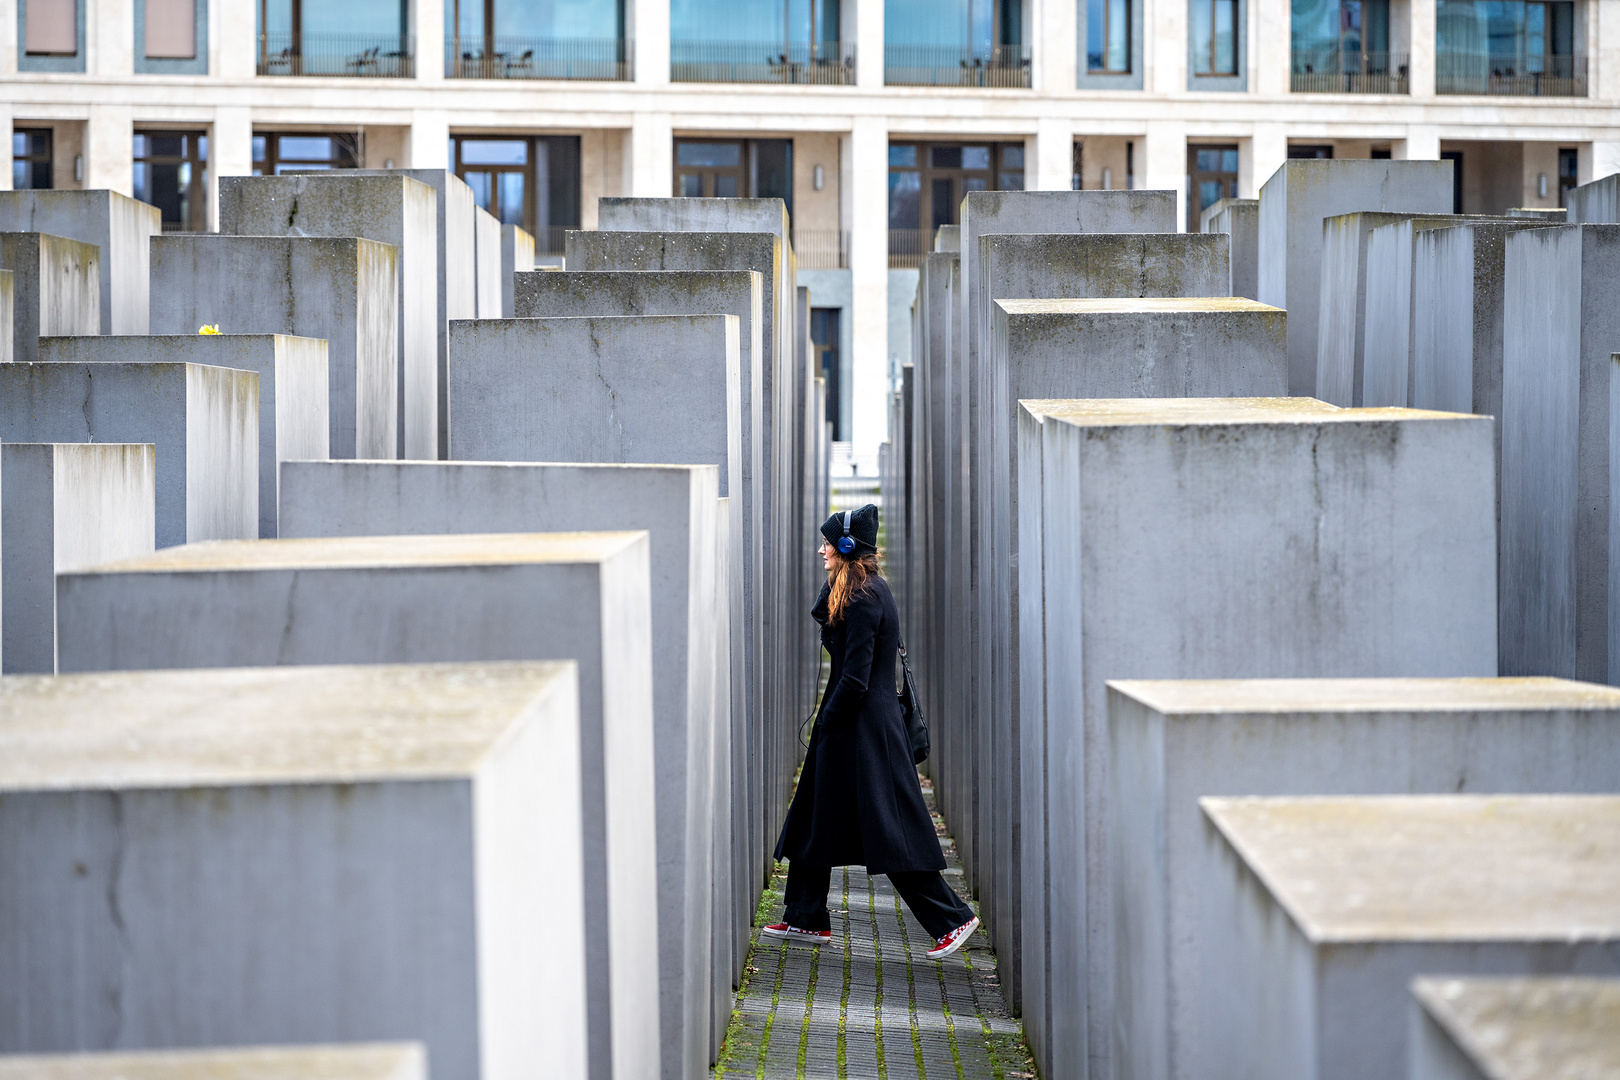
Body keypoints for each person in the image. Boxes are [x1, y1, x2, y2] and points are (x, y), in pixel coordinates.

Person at [765, 503, 981, 960]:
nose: (820, 549)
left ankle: (951, 917)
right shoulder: (857, 591)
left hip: (864, 729)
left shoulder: (865, 599)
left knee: (888, 830)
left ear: (847, 547)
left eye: (828, 542)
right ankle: (804, 916)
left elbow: (856, 677)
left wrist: (827, 721)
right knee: (814, 813)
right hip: (851, 725)